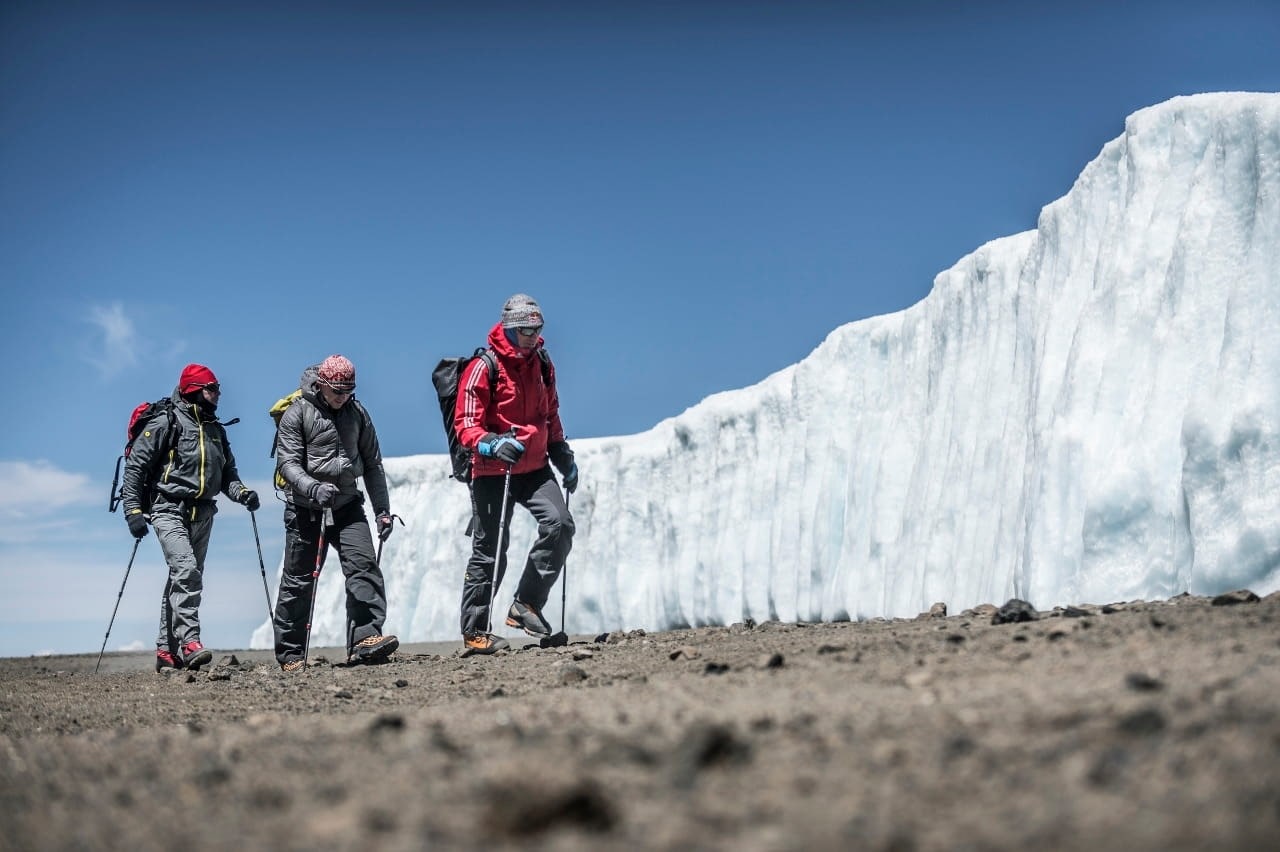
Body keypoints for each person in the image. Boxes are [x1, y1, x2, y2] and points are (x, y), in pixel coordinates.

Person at [454, 294, 578, 654]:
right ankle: (475, 632)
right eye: (525, 329)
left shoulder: (541, 361)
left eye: (537, 329)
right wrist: (491, 443)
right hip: (493, 470)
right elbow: (466, 423)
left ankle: (526, 604)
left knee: (560, 524)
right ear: (510, 327)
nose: (532, 335)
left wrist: (562, 455)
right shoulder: (483, 366)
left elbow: (550, 413)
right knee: (490, 551)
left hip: (534, 466)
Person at [120, 363, 258, 673]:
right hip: (167, 508)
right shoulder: (165, 422)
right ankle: (190, 642)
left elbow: (227, 477)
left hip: (203, 513)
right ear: (194, 390)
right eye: (212, 389)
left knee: (181, 578)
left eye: (218, 389)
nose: (218, 394)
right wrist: (133, 511)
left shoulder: (216, 430)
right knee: (186, 571)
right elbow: (136, 468)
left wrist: (243, 494)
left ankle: (166, 652)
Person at [272, 354, 399, 672]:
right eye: (337, 391)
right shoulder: (297, 413)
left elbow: (372, 464)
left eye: (349, 391)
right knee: (299, 582)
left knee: (364, 567)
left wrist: (382, 510)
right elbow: (287, 464)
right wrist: (313, 488)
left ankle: (364, 641)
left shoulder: (357, 413)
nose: (343, 397)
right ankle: (290, 655)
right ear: (322, 385)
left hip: (346, 505)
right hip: (305, 509)